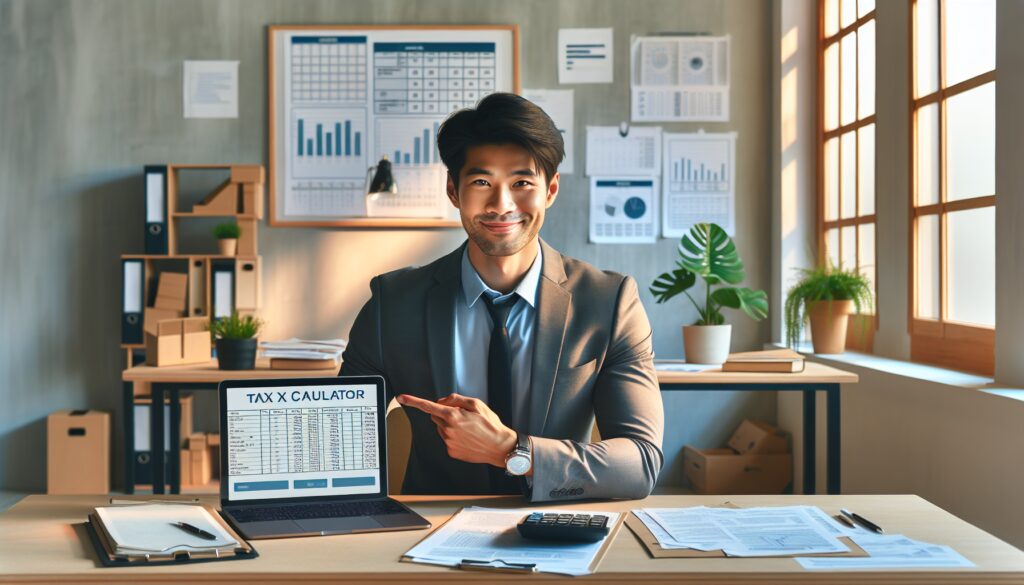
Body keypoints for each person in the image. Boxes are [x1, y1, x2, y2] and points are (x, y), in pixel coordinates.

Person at [340, 93, 663, 501]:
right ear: (454, 191)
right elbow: (341, 444)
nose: (501, 204)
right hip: (427, 537)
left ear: (550, 190)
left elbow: (641, 463)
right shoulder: (393, 303)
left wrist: (512, 452)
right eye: (481, 182)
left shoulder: (609, 302)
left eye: (522, 183)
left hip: (559, 532)